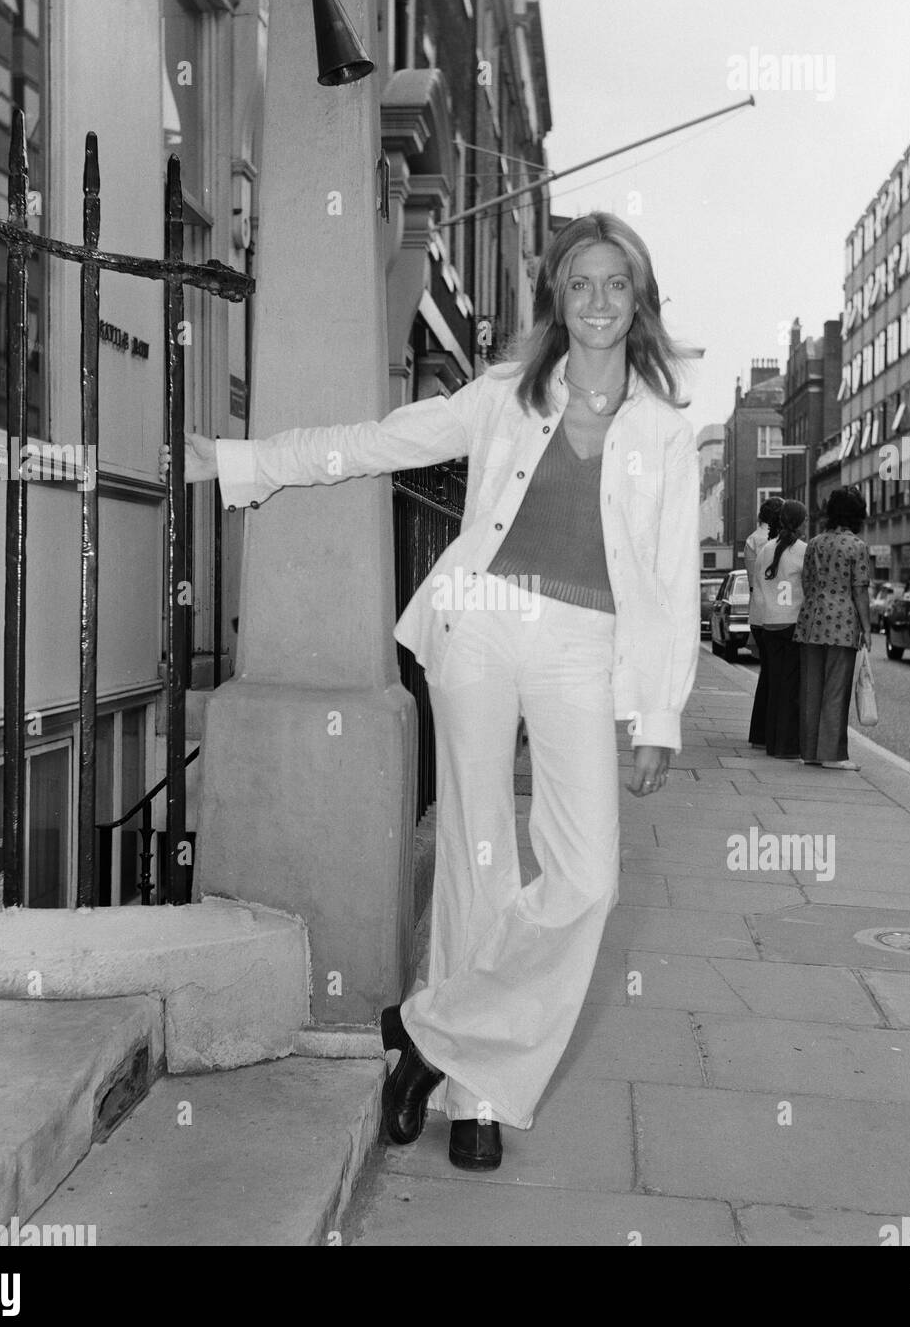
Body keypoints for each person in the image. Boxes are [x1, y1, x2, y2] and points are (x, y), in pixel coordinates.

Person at [167, 212, 701, 1172]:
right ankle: (477, 1096)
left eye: (616, 285)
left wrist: (659, 713)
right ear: (556, 298)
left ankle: (428, 1031)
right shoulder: (505, 394)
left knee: (587, 881)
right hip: (483, 623)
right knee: (476, 856)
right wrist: (245, 462)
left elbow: (670, 582)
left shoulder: (666, 427)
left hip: (585, 646)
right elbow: (381, 441)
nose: (597, 304)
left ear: (641, 300)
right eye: (580, 284)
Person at [793, 487, 871, 770]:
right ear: (856, 515)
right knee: (836, 689)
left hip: (811, 621)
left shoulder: (814, 543)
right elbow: (859, 591)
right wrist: (867, 628)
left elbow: (806, 582)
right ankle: (831, 754)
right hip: (843, 623)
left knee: (811, 688)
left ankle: (810, 751)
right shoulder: (857, 547)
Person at [753, 498, 807, 760]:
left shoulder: (765, 549)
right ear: (800, 523)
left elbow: (758, 587)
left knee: (774, 685)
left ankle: (771, 741)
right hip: (793, 624)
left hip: (769, 624)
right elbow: (808, 589)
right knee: (791, 689)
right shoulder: (803, 551)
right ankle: (786, 746)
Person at [745, 495, 784, 746]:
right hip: (776, 615)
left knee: (766, 675)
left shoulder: (752, 540)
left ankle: (759, 732)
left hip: (757, 613)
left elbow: (751, 581)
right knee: (776, 676)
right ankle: (771, 732)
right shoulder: (777, 543)